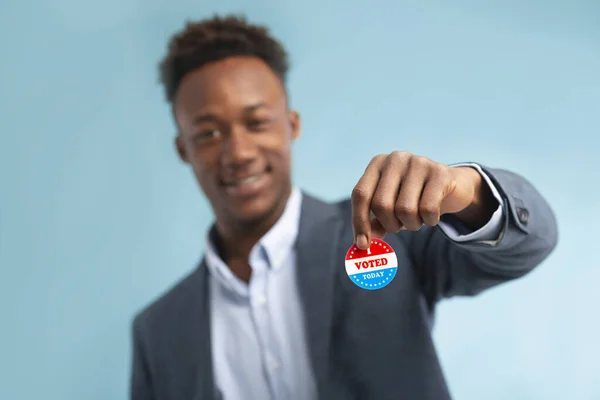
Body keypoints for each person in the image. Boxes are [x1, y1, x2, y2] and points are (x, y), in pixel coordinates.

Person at [130, 14, 558, 400]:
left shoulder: (391, 233)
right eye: (207, 134)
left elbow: (529, 247)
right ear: (183, 149)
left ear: (291, 126)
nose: (238, 152)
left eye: (257, 122)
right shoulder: (157, 332)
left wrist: (466, 191)